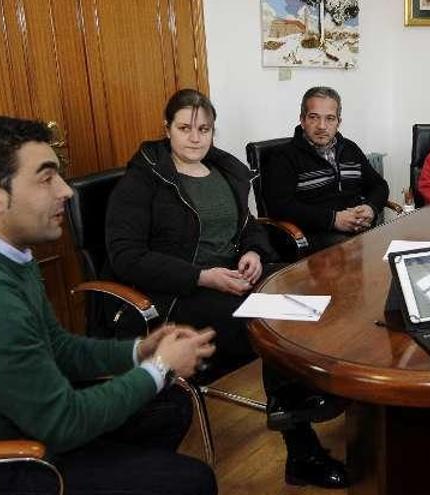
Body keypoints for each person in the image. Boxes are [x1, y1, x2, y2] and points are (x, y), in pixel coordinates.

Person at [0, 115, 217, 495]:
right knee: (191, 481)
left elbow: (58, 347)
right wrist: (160, 365)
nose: (66, 191)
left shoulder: (9, 253)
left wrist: (140, 350)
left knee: (169, 404)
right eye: (47, 178)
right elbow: (62, 422)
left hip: (29, 420)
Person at [105, 88, 348, 489]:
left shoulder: (223, 171)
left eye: (204, 128)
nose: (195, 137)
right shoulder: (143, 181)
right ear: (167, 129)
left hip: (232, 278)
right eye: (184, 128)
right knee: (275, 319)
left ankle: (300, 399)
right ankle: (300, 445)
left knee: (312, 289)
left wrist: (253, 251)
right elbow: (126, 257)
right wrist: (202, 276)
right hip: (177, 296)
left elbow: (249, 227)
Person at [263, 86, 389, 251]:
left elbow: (379, 185)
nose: (322, 126)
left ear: (339, 122)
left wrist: (371, 208)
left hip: (357, 232)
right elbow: (280, 207)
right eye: (314, 117)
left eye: (330, 118)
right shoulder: (283, 156)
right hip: (315, 237)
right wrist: (333, 219)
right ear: (302, 120)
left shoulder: (350, 149)